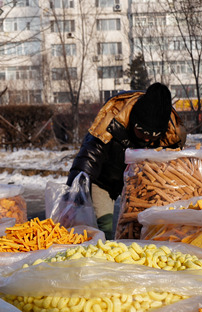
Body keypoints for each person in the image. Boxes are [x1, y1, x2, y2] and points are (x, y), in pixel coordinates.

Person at [67, 82, 186, 235]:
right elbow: (88, 158)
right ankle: (104, 255)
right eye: (142, 133)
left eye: (153, 136)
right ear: (133, 122)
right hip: (105, 181)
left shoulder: (172, 135)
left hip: (139, 187)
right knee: (105, 224)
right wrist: (74, 193)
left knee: (141, 229)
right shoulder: (111, 120)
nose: (147, 140)